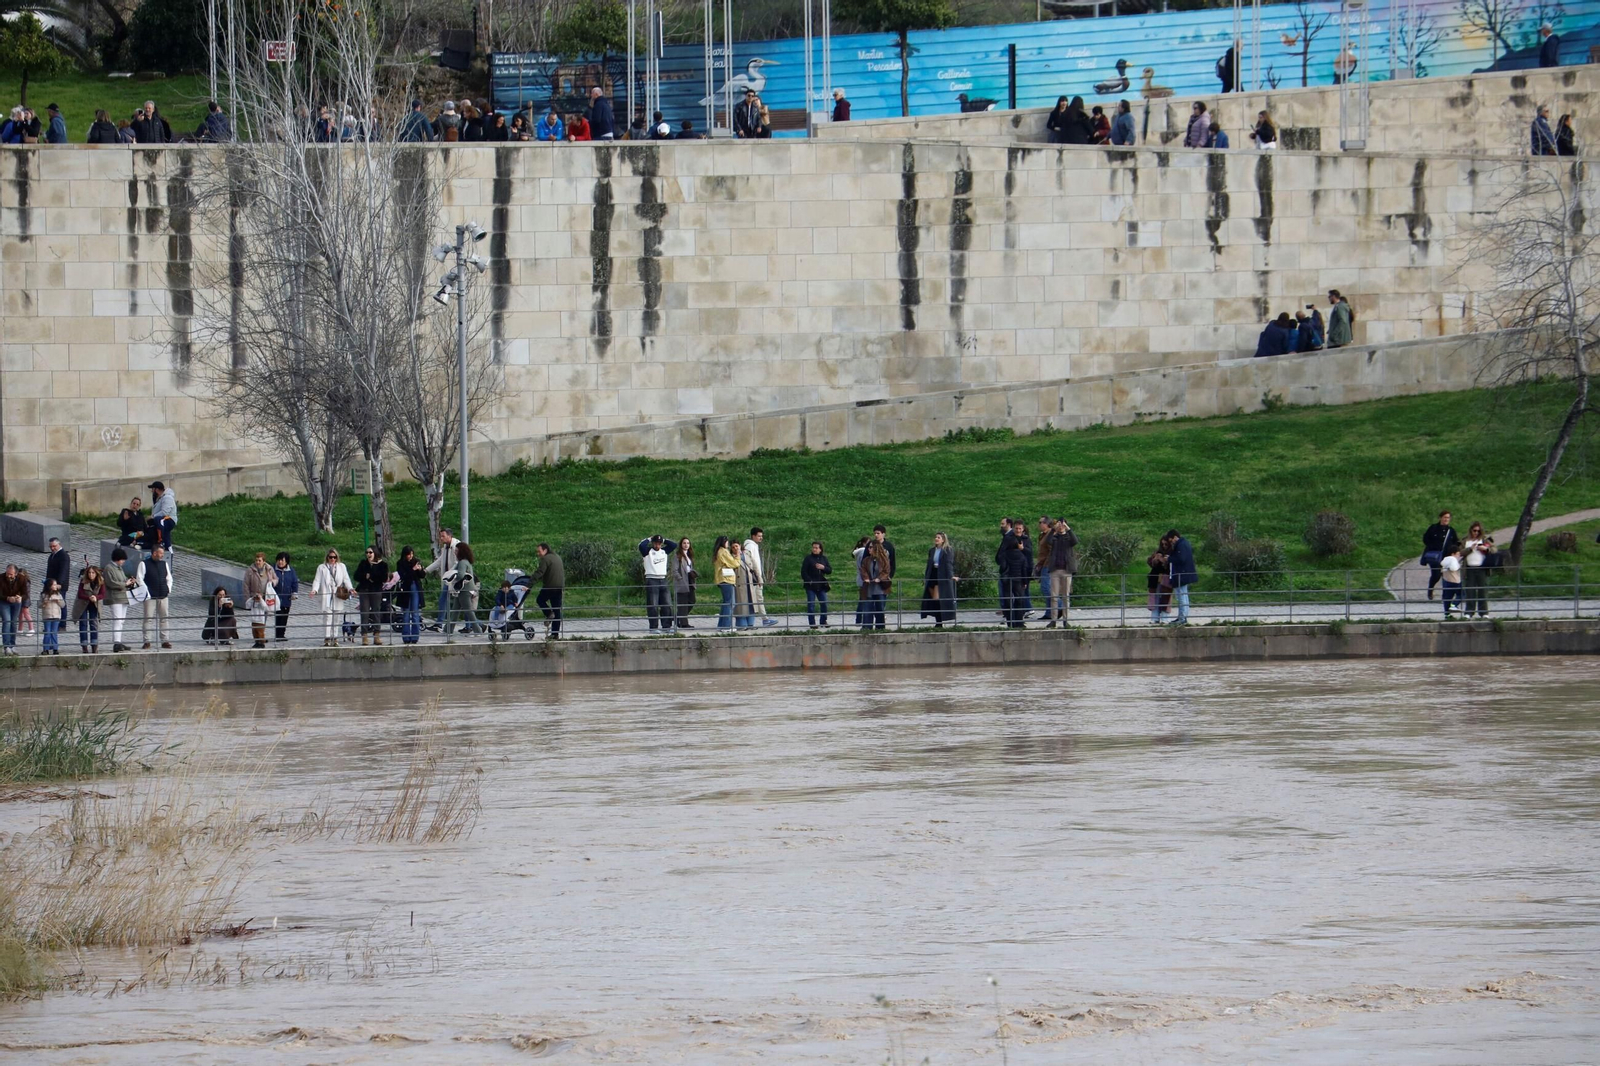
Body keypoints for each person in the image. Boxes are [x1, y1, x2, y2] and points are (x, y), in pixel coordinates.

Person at [311, 549, 353, 647]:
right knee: (327, 616)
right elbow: (317, 580)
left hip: (337, 594)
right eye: (330, 557)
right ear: (327, 557)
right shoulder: (321, 567)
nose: (332, 559)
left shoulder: (341, 566)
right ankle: (327, 637)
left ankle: (335, 637)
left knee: (336, 617)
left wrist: (350, 588)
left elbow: (346, 579)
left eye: (334, 557)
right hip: (327, 593)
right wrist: (315, 590)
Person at [424, 528, 461, 630]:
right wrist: (426, 570)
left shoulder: (456, 547)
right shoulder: (445, 547)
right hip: (448, 579)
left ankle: (474, 625)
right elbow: (440, 561)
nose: (441, 538)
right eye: (440, 536)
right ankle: (439, 622)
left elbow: (458, 563)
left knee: (461, 602)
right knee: (443, 599)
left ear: (450, 536)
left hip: (454, 579)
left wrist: (450, 574)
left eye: (443, 536)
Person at [136, 545, 173, 649]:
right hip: (150, 597)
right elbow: (140, 579)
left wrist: (168, 589)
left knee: (164, 618)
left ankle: (165, 640)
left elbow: (169, 578)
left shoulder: (164, 564)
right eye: (160, 553)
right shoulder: (144, 564)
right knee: (148, 618)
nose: (162, 555)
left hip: (163, 595)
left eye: (162, 553)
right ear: (154, 553)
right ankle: (147, 640)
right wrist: (146, 591)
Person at [1419, 510, 1461, 600]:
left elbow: (1455, 542)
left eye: (1448, 518)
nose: (1446, 519)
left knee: (1446, 576)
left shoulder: (1451, 531)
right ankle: (1430, 589)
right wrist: (1433, 547)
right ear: (1440, 518)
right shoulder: (1433, 528)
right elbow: (1426, 539)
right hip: (1435, 556)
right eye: (1445, 517)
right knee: (1436, 575)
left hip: (1446, 557)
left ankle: (1445, 595)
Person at [1044, 518, 1078, 626]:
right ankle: (1053, 620)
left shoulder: (1068, 537)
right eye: (1059, 524)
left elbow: (1075, 541)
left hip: (1066, 570)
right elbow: (1047, 542)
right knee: (1054, 596)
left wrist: (1068, 529)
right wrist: (1053, 530)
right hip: (1055, 570)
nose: (1061, 526)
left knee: (1065, 596)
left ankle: (1065, 620)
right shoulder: (1054, 537)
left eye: (1062, 525)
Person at [743, 528, 778, 627]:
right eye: (759, 536)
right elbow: (751, 562)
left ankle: (757, 619)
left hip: (755, 576)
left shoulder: (753, 546)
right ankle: (764, 619)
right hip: (755, 577)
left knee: (756, 598)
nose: (761, 538)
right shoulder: (750, 546)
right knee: (758, 598)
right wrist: (758, 577)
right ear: (753, 536)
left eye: (761, 536)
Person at [353, 545, 388, 645]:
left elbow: (384, 578)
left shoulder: (382, 565)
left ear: (375, 553)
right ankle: (364, 635)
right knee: (364, 612)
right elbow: (356, 576)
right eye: (367, 552)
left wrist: (371, 576)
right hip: (364, 590)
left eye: (370, 552)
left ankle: (377, 634)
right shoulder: (363, 564)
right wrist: (365, 576)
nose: (368, 554)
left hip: (376, 590)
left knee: (376, 612)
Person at [243, 551, 279, 649]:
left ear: (264, 561)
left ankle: (261, 637)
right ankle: (259, 639)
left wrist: (272, 583)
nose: (258, 562)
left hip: (266, 598)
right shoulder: (250, 570)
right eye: (256, 560)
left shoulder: (269, 569)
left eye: (259, 560)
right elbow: (246, 585)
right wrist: (247, 599)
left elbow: (276, 579)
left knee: (264, 619)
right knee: (256, 620)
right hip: (255, 599)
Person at [921, 532, 956, 628]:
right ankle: (938, 621)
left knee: (937, 600)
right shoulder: (932, 550)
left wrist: (951, 575)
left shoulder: (947, 550)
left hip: (940, 576)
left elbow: (949, 564)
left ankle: (939, 622)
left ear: (943, 540)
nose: (936, 539)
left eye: (938, 537)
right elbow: (929, 565)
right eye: (936, 537)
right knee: (933, 600)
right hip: (932, 575)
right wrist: (926, 578)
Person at [531, 542, 565, 640]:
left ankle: (549, 613)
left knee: (540, 600)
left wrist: (528, 585)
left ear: (545, 550)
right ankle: (555, 634)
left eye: (539, 551)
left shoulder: (546, 559)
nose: (538, 554)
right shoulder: (557, 557)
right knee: (557, 610)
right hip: (559, 587)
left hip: (550, 586)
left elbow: (539, 573)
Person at [393, 545, 426, 644]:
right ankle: (406, 636)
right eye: (408, 554)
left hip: (415, 587)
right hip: (406, 589)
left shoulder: (416, 561)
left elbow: (422, 575)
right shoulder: (400, 563)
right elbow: (404, 576)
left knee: (415, 613)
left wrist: (420, 569)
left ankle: (415, 636)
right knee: (406, 613)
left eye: (412, 554)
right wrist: (413, 569)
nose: (410, 556)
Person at [447, 542, 480, 636]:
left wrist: (452, 578)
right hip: (466, 589)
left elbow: (461, 575)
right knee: (455, 610)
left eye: (456, 551)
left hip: (464, 590)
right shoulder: (467, 562)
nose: (455, 553)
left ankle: (478, 630)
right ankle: (448, 630)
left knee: (468, 611)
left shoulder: (461, 563)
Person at [1166, 528, 1197, 625]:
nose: (1172, 543)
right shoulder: (1184, 543)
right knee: (1183, 595)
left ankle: (1182, 618)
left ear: (1175, 537)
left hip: (1181, 575)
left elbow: (1181, 559)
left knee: (1181, 596)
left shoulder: (1181, 545)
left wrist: (1170, 558)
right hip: (1184, 574)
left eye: (1171, 540)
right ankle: (1182, 616)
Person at [1462, 522, 1494, 618]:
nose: (1476, 533)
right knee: (1470, 591)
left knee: (1482, 591)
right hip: (1469, 568)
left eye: (1478, 531)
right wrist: (1470, 549)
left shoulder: (1484, 540)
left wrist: (1485, 548)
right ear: (1471, 530)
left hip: (1482, 568)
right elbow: (1460, 552)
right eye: (1474, 530)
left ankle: (1484, 612)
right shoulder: (1465, 541)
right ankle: (1469, 612)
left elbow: (1494, 549)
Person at [859, 538, 891, 631]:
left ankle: (880, 628)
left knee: (880, 609)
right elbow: (863, 570)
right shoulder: (866, 560)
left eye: (871, 547)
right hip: (869, 588)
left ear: (876, 548)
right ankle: (867, 628)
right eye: (868, 547)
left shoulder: (884, 560)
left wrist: (879, 578)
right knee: (868, 609)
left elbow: (886, 571)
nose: (869, 549)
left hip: (880, 589)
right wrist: (866, 578)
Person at [104, 547, 131, 652]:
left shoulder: (120, 568)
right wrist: (125, 584)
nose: (123, 562)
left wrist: (128, 582)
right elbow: (111, 583)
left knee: (121, 621)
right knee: (117, 620)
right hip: (115, 597)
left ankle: (119, 640)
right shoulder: (109, 568)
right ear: (118, 559)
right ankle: (116, 642)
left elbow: (123, 579)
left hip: (123, 597)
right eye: (122, 559)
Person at [643, 534, 672, 631]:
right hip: (652, 579)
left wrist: (664, 540)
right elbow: (641, 546)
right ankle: (653, 627)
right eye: (655, 543)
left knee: (667, 604)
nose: (657, 545)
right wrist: (649, 539)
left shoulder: (664, 551)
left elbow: (673, 545)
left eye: (659, 543)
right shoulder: (647, 552)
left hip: (663, 579)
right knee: (653, 605)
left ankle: (666, 626)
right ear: (653, 543)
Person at [801, 541, 832, 628]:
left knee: (824, 604)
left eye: (816, 548)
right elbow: (803, 572)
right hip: (811, 586)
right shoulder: (808, 558)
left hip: (821, 585)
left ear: (820, 549)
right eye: (813, 547)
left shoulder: (824, 558)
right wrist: (809, 580)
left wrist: (823, 568)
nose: (814, 549)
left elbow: (829, 570)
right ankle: (812, 623)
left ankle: (823, 621)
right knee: (811, 605)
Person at [74, 564, 104, 653]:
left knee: (93, 624)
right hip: (83, 603)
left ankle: (94, 645)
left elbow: (103, 594)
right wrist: (89, 597)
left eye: (93, 573)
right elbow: (80, 594)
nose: (91, 574)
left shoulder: (101, 581)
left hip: (94, 604)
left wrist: (96, 597)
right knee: (83, 624)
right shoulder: (83, 581)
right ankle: (84, 645)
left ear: (96, 574)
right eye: (90, 573)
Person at [669, 537, 696, 628]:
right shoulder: (677, 556)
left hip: (690, 580)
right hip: (682, 581)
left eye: (688, 543)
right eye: (684, 543)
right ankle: (684, 623)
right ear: (681, 544)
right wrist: (680, 579)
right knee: (683, 602)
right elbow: (674, 570)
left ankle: (678, 617)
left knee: (692, 600)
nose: (686, 545)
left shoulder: (689, 555)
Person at [273, 552, 299, 641]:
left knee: (284, 617)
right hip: (276, 597)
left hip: (287, 598)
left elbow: (294, 582)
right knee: (278, 616)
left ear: (286, 561)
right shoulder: (273, 569)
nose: (280, 562)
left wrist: (294, 592)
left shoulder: (291, 571)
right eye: (279, 560)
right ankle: (277, 635)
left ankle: (282, 634)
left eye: (282, 560)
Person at [0, 563, 25, 653]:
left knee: (14, 623)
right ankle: (6, 646)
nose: (8, 576)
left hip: (16, 602)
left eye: (11, 574)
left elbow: (26, 592)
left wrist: (20, 597)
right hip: (4, 602)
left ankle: (12, 644)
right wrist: (7, 598)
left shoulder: (22, 579)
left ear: (16, 574)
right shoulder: (1, 578)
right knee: (7, 621)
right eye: (7, 573)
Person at [148, 480, 177, 550]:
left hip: (168, 519)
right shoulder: (160, 499)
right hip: (162, 520)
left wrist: (152, 517)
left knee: (158, 520)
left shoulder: (167, 498)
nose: (152, 492)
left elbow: (164, 512)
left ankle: (161, 541)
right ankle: (166, 547)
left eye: (152, 489)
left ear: (157, 490)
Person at [43, 538, 70, 612]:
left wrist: (59, 583)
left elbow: (63, 571)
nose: (52, 548)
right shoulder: (53, 555)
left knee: (61, 604)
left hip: (59, 585)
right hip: (51, 583)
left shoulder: (63, 556)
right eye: (51, 546)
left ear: (59, 544)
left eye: (54, 546)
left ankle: (62, 623)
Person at [1146, 545, 1172, 624]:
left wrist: (1164, 561)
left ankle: (1165, 617)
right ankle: (1154, 617)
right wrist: (1155, 559)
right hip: (1155, 577)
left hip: (1166, 577)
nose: (1164, 545)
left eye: (1165, 543)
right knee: (1154, 597)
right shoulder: (1157, 552)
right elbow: (1150, 563)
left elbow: (1172, 565)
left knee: (1166, 597)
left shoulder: (1171, 552)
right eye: (1162, 543)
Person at [40, 580, 65, 655]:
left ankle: (55, 648)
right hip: (47, 616)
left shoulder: (58, 594)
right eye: (54, 585)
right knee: (47, 632)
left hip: (56, 616)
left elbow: (63, 605)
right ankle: (46, 649)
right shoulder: (44, 594)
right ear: (49, 586)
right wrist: (45, 602)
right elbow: (39, 605)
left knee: (54, 632)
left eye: (56, 584)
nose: (56, 586)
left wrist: (58, 601)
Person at [1439, 545, 1464, 617]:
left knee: (1447, 597)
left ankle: (1447, 614)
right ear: (1453, 554)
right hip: (1455, 580)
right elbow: (1454, 568)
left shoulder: (1445, 560)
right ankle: (1454, 605)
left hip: (1446, 580)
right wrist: (1459, 565)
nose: (1459, 555)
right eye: (1458, 554)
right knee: (1462, 594)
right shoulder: (1453, 559)